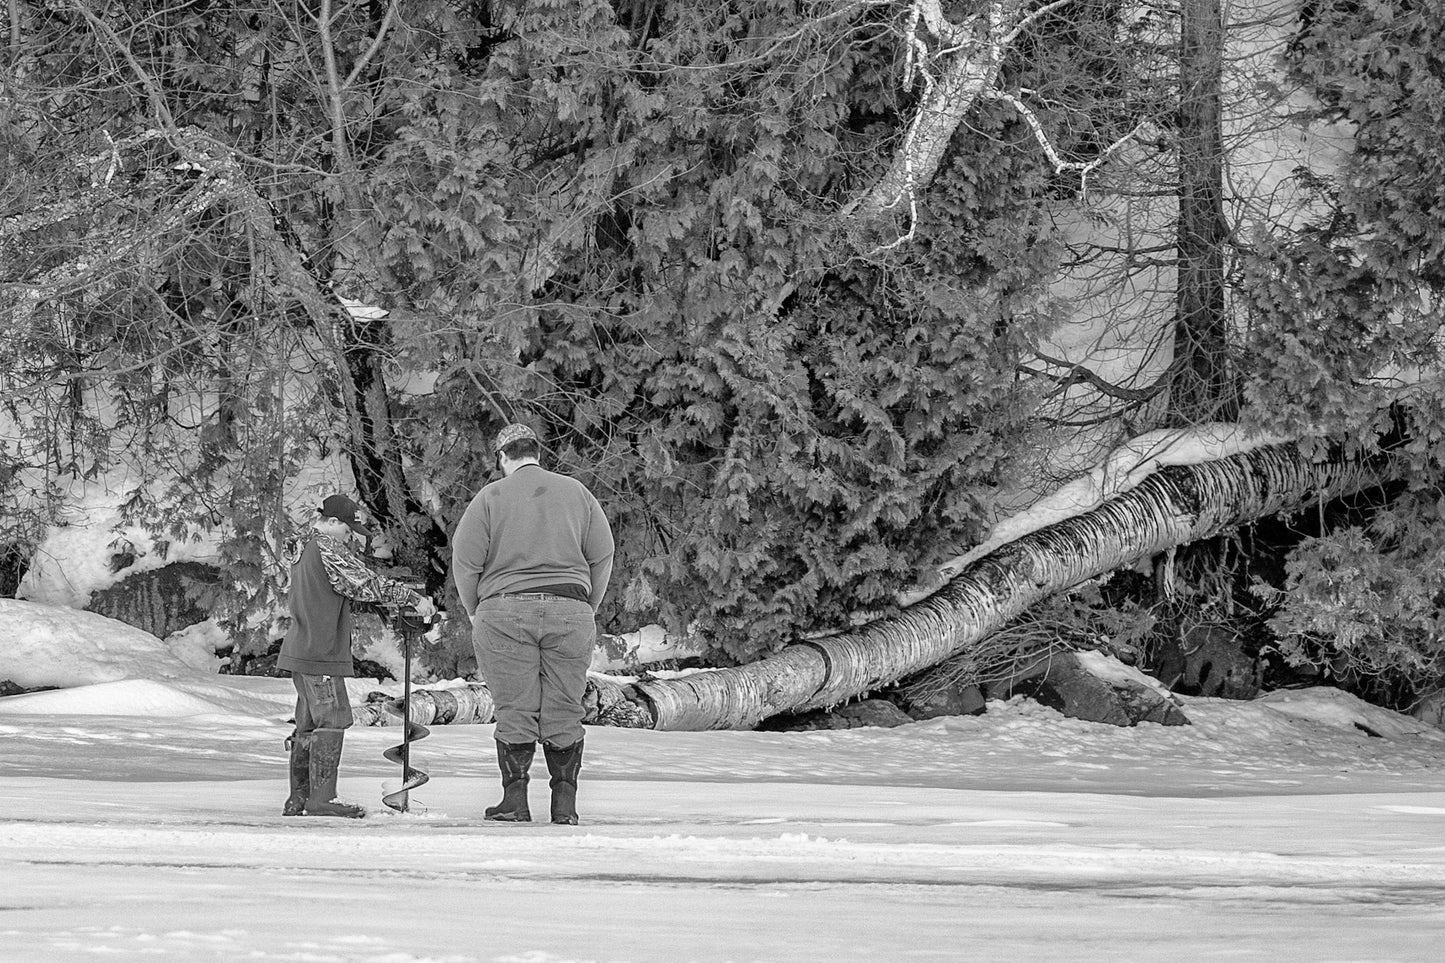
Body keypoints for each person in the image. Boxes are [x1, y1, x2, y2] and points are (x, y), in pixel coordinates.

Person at [451, 423, 614, 825]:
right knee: (564, 706)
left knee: (515, 707)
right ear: (538, 453)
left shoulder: (490, 497)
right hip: (570, 609)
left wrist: (476, 609)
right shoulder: (577, 493)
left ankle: (515, 801)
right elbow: (603, 553)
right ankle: (564, 806)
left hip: (503, 610)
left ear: (502, 458)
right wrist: (587, 603)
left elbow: (465, 559)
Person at [279, 493, 436, 818]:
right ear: (332, 522)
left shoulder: (301, 547)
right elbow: (364, 583)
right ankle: (322, 800)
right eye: (348, 528)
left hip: (299, 648)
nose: (350, 536)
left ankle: (299, 800)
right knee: (332, 720)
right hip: (320, 650)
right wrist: (411, 598)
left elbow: (332, 589)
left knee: (308, 724)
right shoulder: (327, 546)